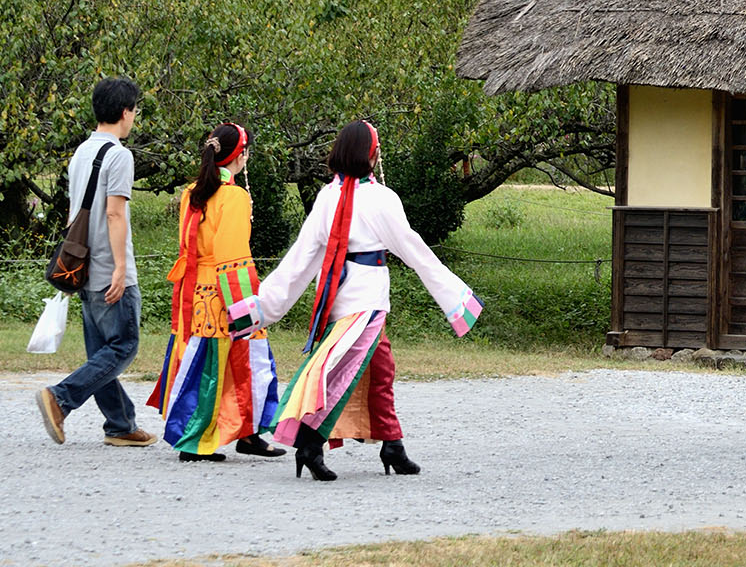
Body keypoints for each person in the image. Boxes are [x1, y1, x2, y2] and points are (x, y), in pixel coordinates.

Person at [244, 120, 482, 481]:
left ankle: (393, 445)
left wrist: (265, 304)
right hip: (366, 299)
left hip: (338, 295)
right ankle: (309, 443)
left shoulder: (328, 195)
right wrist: (456, 299)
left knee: (381, 369)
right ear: (372, 154)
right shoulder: (381, 198)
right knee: (338, 371)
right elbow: (413, 249)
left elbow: (301, 257)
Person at [146, 123, 285, 462]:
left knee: (234, 362)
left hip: (195, 289)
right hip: (225, 290)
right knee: (230, 364)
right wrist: (245, 300)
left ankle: (249, 433)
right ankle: (195, 440)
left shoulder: (192, 191)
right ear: (241, 156)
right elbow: (232, 253)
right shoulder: (234, 196)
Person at [36, 77, 156, 447]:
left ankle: (120, 424)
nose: (134, 117)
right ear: (125, 112)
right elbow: (114, 214)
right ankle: (61, 398)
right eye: (135, 110)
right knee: (123, 347)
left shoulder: (82, 151)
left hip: (83, 264)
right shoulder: (119, 155)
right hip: (107, 266)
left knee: (101, 349)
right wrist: (121, 267)